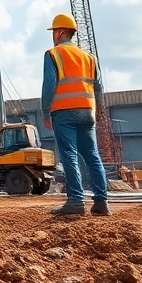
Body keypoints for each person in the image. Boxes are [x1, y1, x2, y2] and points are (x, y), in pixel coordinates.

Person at [41, 14, 110, 216]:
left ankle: (76, 201)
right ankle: (101, 202)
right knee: (92, 156)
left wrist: (45, 111)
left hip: (64, 112)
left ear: (60, 32)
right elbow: (98, 88)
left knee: (69, 155)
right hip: (87, 112)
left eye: (54, 31)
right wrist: (97, 111)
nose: (53, 35)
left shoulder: (53, 54)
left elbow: (49, 85)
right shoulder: (89, 58)